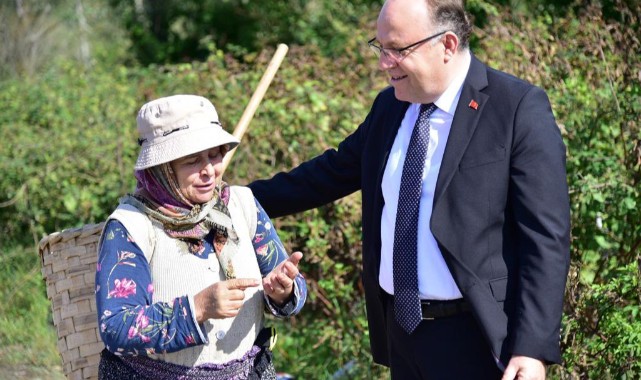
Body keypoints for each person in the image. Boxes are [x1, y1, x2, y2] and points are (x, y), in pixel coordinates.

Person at [248, 0, 570, 379]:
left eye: (398, 50)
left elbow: (545, 238)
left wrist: (531, 349)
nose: (384, 63)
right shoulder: (392, 107)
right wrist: (237, 199)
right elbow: (328, 174)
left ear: (447, 44)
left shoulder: (515, 108)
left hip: (479, 340)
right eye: (380, 47)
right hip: (403, 334)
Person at [95, 94, 307, 379]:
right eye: (192, 160)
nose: (209, 170)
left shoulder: (242, 204)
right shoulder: (130, 226)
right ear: (162, 168)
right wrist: (197, 307)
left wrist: (283, 291)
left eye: (216, 154)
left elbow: (291, 285)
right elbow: (117, 326)